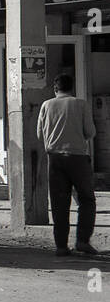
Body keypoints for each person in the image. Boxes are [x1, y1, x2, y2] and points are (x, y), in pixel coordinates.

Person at [36, 73, 99, 257]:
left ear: (55, 89)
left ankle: (61, 246)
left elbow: (40, 135)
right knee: (87, 200)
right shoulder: (81, 104)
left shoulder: (46, 105)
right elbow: (91, 132)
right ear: (72, 88)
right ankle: (82, 241)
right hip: (78, 158)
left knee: (59, 203)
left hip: (55, 159)